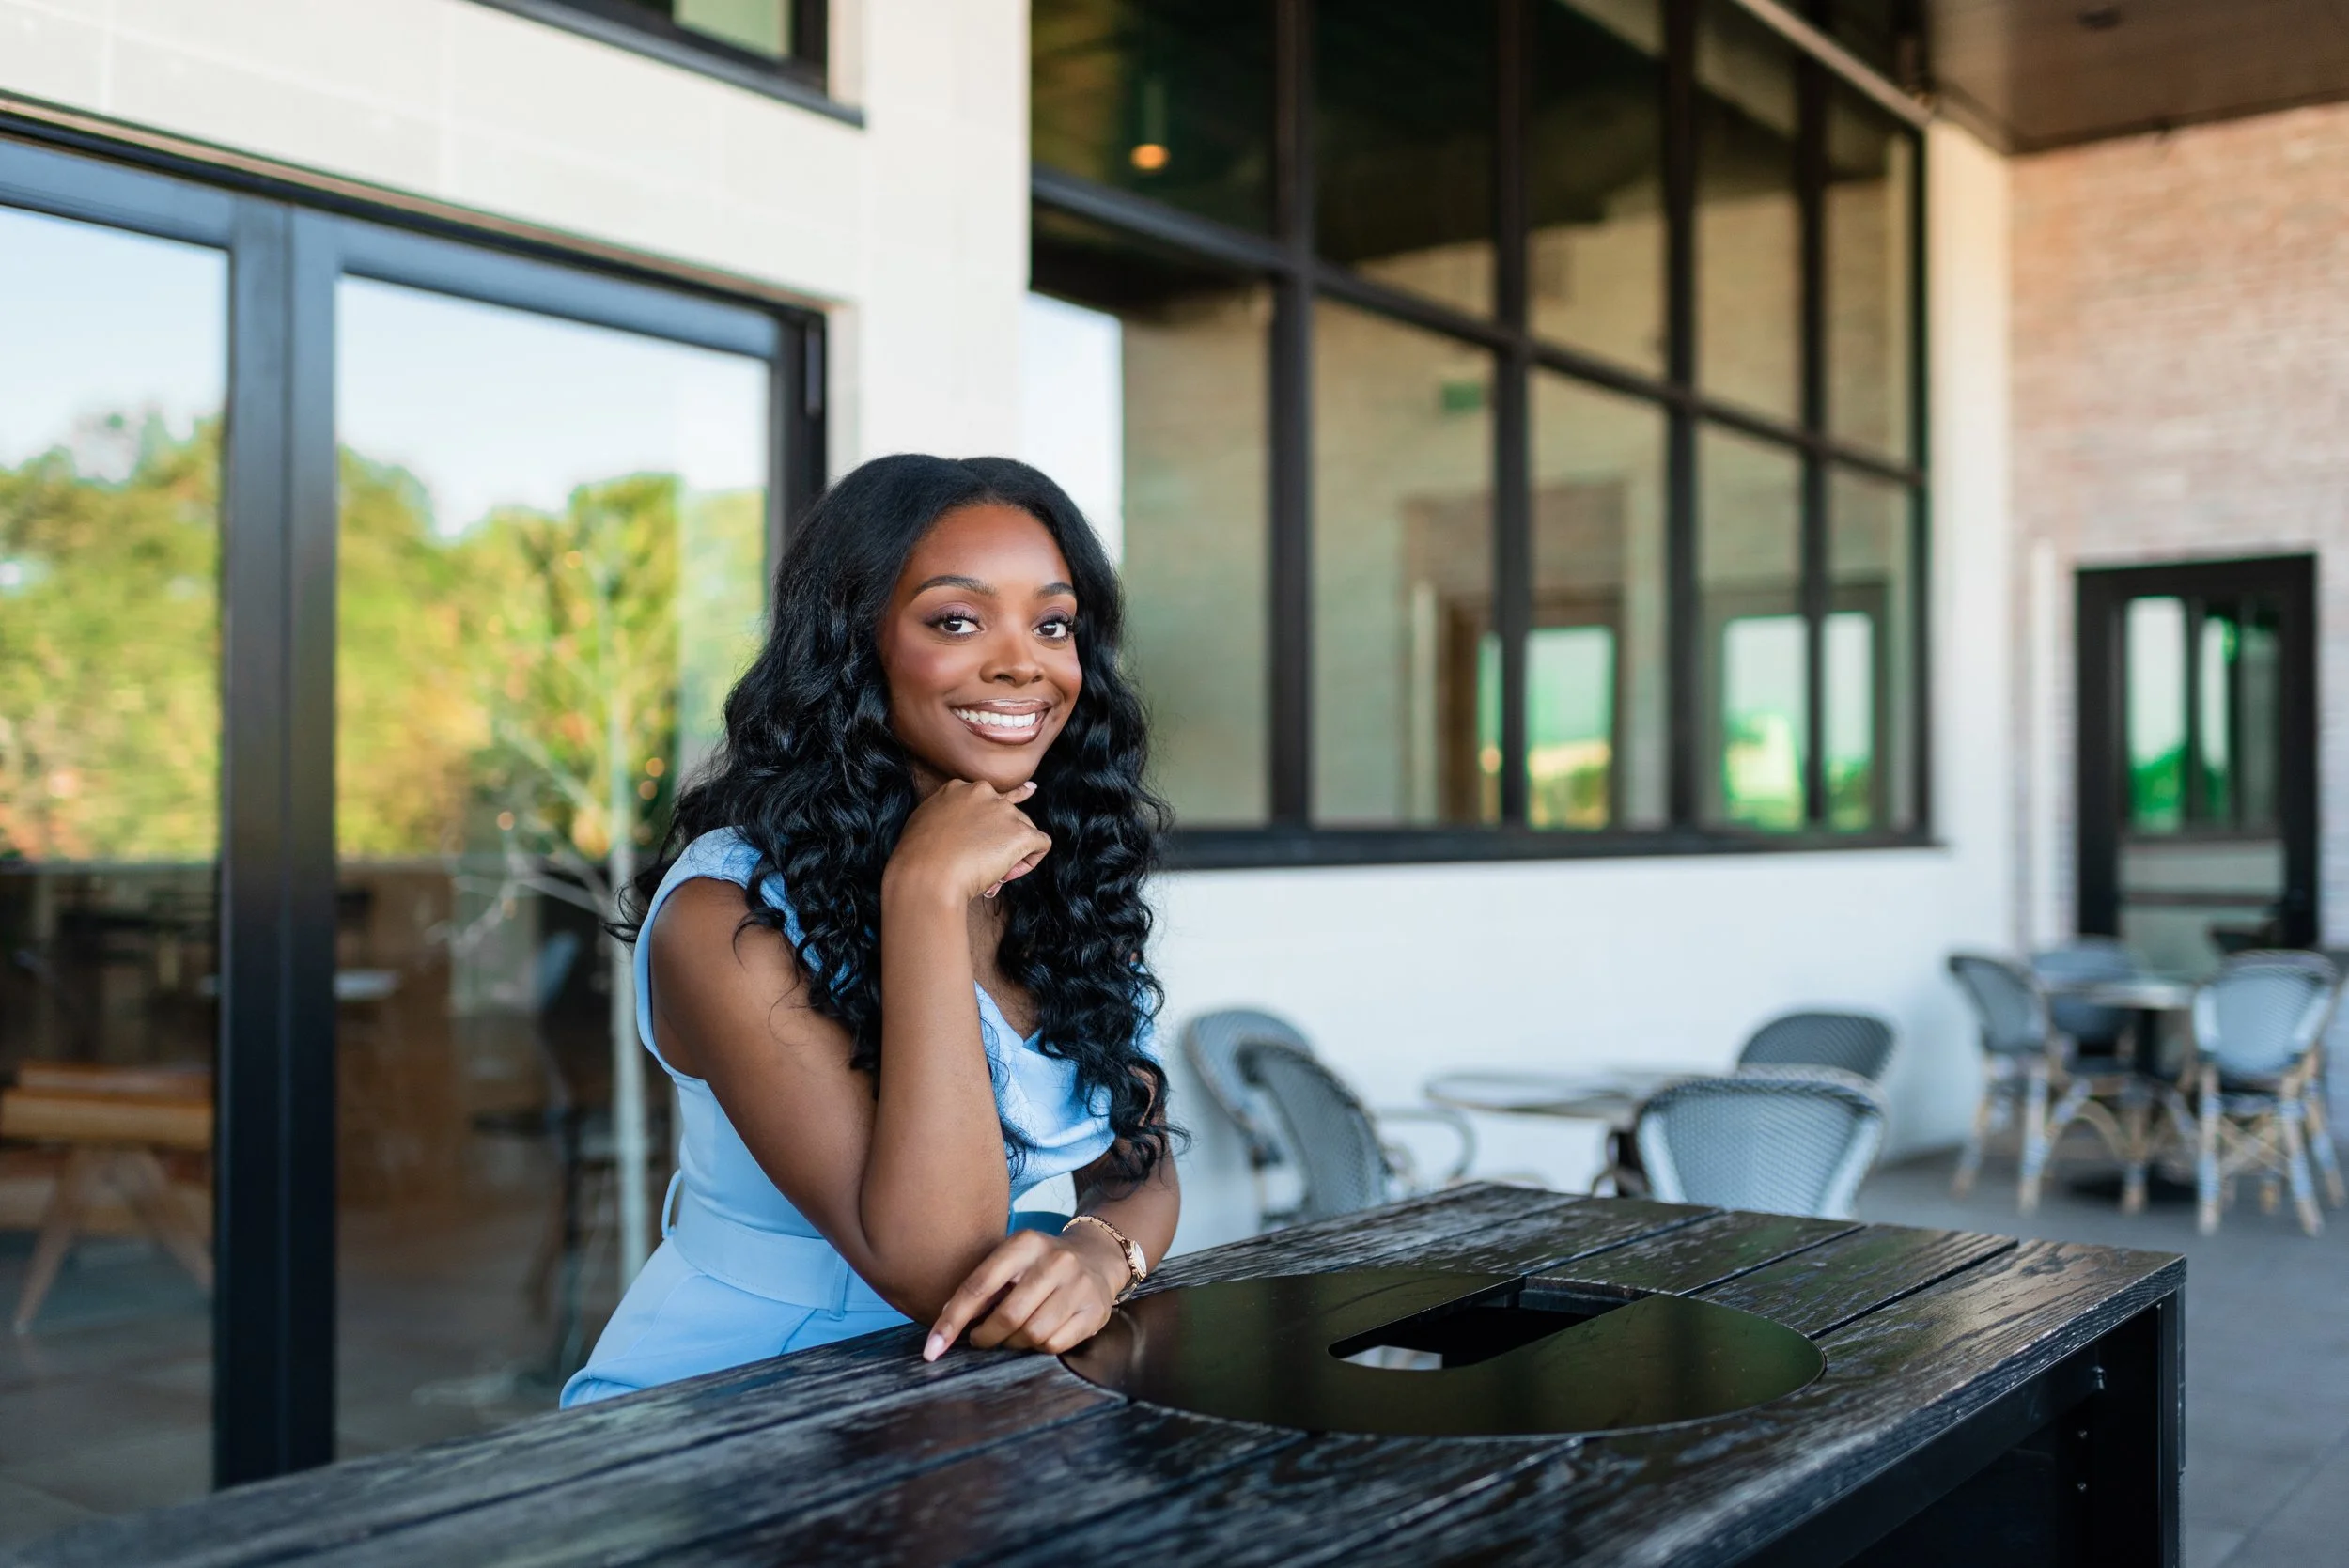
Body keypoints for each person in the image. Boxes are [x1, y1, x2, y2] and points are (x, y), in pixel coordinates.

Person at [561, 454, 1179, 1406]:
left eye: (1052, 623)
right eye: (957, 620)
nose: (1022, 660)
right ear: (854, 644)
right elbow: (936, 1262)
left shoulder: (1055, 873)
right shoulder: (723, 912)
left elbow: (1134, 1153)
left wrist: (1098, 1254)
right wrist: (924, 893)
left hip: (976, 1405)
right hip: (731, 1404)